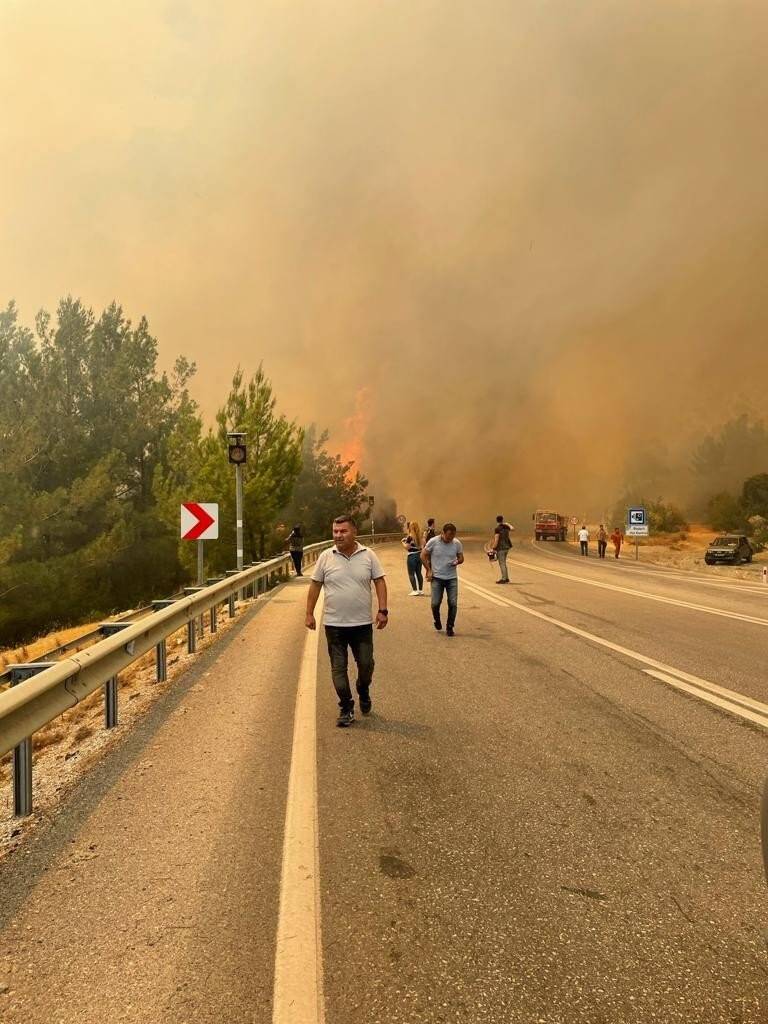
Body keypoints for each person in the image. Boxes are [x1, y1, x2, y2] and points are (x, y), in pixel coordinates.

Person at [306, 515, 388, 727]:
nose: (338, 535)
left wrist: (383, 610)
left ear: (354, 532)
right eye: (335, 531)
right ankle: (346, 706)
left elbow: (379, 581)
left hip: (361, 624)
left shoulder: (368, 555)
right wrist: (309, 613)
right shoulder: (325, 557)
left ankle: (363, 688)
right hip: (334, 625)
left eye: (343, 531)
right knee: (338, 669)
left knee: (366, 664)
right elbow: (315, 585)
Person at [421, 523, 464, 637]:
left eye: (453, 535)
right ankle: (437, 620)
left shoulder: (456, 543)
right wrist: (428, 570)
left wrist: (457, 561)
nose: (451, 538)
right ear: (443, 533)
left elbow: (461, 557)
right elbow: (423, 555)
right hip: (437, 578)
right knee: (435, 603)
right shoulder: (433, 542)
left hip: (452, 578)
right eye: (449, 535)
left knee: (453, 603)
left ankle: (450, 627)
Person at [401, 521, 424, 595]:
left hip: (412, 556)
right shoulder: (420, 536)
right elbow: (423, 545)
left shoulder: (410, 537)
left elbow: (407, 547)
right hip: (419, 555)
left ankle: (414, 590)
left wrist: (403, 542)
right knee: (419, 573)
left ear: (411, 527)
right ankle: (420, 590)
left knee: (411, 574)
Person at [491, 514, 515, 583]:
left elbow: (496, 539)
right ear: (502, 520)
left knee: (502, 563)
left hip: (500, 548)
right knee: (503, 563)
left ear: (496, 520)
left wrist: (493, 548)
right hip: (507, 547)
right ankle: (506, 578)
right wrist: (508, 524)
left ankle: (504, 579)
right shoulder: (506, 527)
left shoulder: (497, 529)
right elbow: (513, 529)